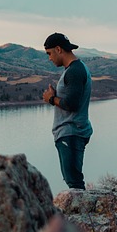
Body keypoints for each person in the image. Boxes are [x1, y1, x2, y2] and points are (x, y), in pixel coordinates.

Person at [42, 32, 92, 190]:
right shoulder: (76, 68)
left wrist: (51, 99)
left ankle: (81, 214)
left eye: (49, 53)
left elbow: (72, 104)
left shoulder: (74, 71)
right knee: (72, 178)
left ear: (58, 49)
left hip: (71, 132)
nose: (49, 58)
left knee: (73, 181)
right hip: (73, 131)